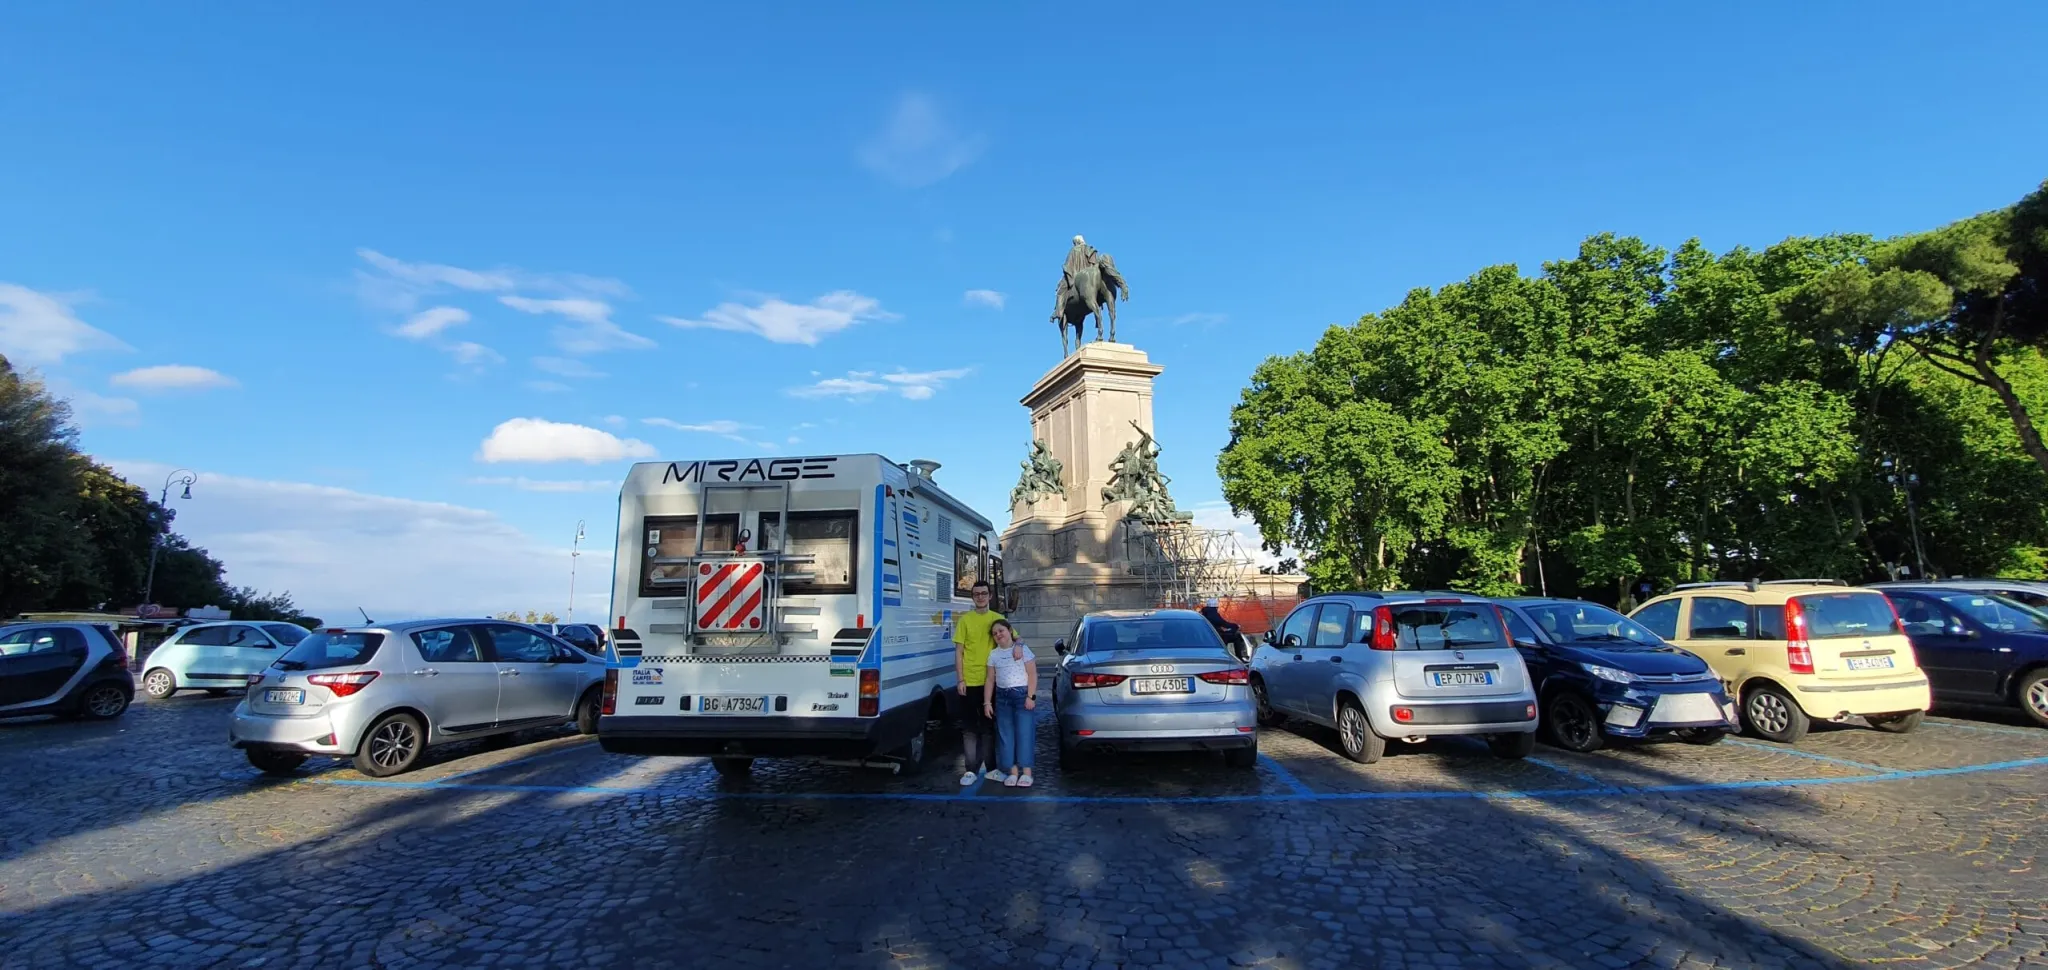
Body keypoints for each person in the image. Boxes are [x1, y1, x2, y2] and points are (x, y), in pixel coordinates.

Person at [952, 580, 1005, 785]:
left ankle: (991, 769)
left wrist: (1020, 646)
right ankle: (970, 770)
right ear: (972, 597)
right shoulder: (965, 621)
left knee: (988, 727)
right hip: (970, 681)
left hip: (991, 682)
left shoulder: (998, 619)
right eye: (976, 594)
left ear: (990, 596)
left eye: (984, 593)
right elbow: (959, 652)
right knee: (969, 728)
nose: (980, 597)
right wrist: (960, 679)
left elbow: (1014, 639)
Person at [981, 619, 1038, 788]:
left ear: (1010, 631)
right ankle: (1013, 772)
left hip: (1022, 696)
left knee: (1024, 732)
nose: (998, 634)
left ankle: (1027, 772)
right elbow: (990, 680)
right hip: (1002, 698)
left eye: (1001, 630)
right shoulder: (993, 655)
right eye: (995, 633)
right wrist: (987, 703)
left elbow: (1033, 674)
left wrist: (1031, 696)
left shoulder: (1022, 650)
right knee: (1006, 735)